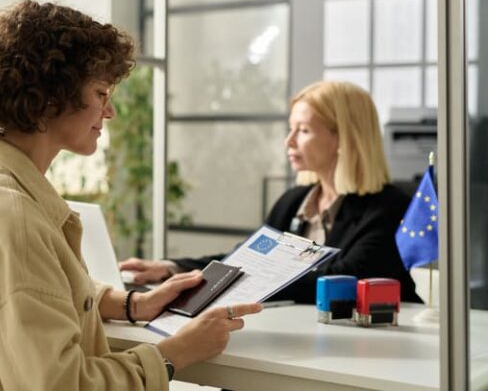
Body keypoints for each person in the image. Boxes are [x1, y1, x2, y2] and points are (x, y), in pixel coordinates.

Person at [0, 0, 262, 390]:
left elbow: (35, 291)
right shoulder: (13, 220)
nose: (109, 112)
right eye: (100, 92)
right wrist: (177, 353)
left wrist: (133, 304)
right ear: (50, 98)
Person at [120, 81, 422, 304]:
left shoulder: (390, 208)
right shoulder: (294, 202)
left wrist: (250, 276)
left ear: (343, 138)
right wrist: (172, 269)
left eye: (303, 130)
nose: (288, 141)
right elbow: (248, 259)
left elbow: (342, 278)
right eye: (291, 129)